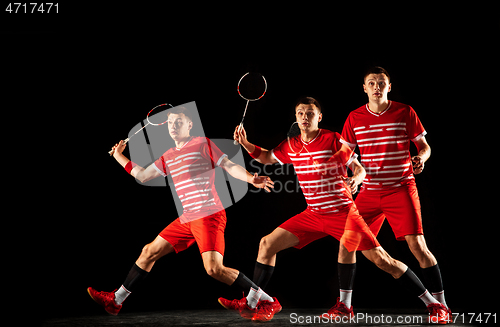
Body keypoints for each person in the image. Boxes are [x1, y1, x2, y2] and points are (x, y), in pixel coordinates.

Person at [221, 97, 447, 322]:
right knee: (266, 244)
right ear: (296, 117)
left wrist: (357, 179)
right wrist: (245, 143)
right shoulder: (291, 145)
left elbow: (358, 168)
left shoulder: (333, 139)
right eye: (300, 113)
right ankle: (256, 302)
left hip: (343, 214)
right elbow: (266, 158)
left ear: (319, 117)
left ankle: (434, 303)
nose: (304, 117)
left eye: (310, 113)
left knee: (382, 260)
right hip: (313, 214)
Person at [87, 106, 280, 322]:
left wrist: (250, 178)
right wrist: (118, 156)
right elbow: (142, 175)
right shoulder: (168, 155)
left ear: (190, 125)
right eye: (170, 123)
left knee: (214, 269)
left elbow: (228, 165)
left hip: (209, 215)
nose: (173, 126)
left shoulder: (202, 144)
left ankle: (267, 299)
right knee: (149, 251)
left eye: (179, 121)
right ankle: (116, 300)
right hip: (187, 217)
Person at [341, 67, 450, 323]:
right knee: (348, 244)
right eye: (371, 83)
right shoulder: (354, 117)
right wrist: (352, 175)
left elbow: (424, 146)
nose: (376, 86)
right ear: (364, 88)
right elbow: (346, 153)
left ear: (389, 87)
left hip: (400, 188)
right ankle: (345, 306)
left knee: (418, 247)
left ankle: (442, 306)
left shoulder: (405, 112)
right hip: (369, 191)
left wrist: (421, 157)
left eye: (381, 82)